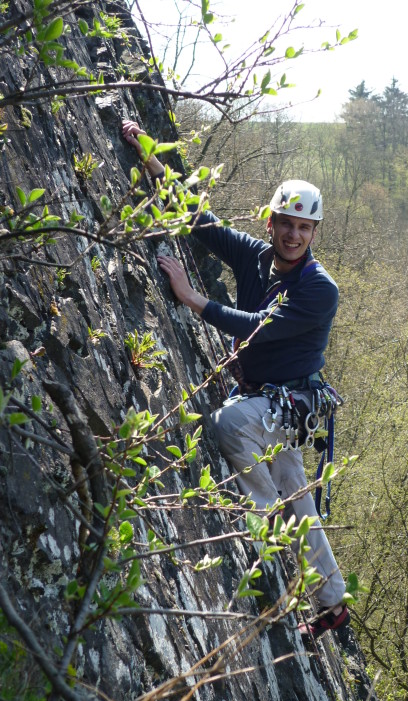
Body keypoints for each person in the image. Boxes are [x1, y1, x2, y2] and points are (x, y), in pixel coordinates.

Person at [122, 120, 349, 638]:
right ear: (271, 221)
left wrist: (193, 299)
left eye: (304, 227)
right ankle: (333, 600)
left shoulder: (319, 289)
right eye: (286, 222)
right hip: (268, 400)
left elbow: (258, 329)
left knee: (227, 425)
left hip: (289, 404)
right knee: (298, 489)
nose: (293, 234)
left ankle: (264, 527)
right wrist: (152, 159)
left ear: (314, 233)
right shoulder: (256, 257)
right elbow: (203, 223)